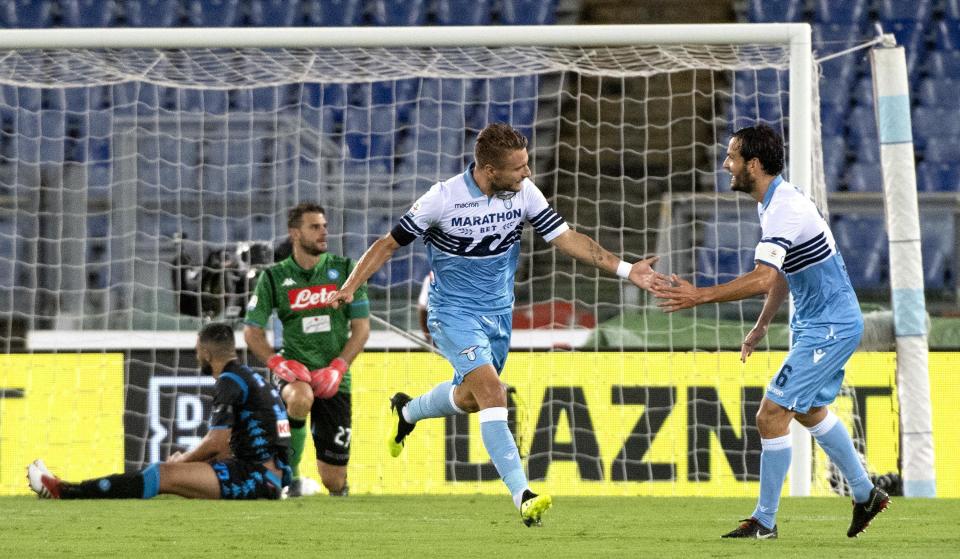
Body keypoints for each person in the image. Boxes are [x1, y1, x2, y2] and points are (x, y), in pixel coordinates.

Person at [325, 123, 662, 527]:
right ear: (488, 169)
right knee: (492, 392)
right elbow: (387, 244)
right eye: (519, 167)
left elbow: (567, 238)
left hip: (499, 314)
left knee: (469, 399)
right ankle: (524, 494)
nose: (528, 173)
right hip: (453, 313)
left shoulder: (523, 194)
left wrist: (627, 269)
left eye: (527, 164)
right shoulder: (442, 198)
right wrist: (350, 287)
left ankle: (408, 412)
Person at [653, 124, 889, 539]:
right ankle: (866, 493)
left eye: (732, 157)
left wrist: (699, 296)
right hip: (818, 323)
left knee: (770, 413)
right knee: (807, 411)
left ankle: (764, 520)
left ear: (754, 164)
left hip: (830, 326)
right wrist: (762, 324)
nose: (726, 164)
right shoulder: (773, 202)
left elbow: (763, 277)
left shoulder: (785, 208)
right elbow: (781, 275)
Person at [27, 322, 292, 500]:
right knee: (177, 478)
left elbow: (216, 442)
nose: (197, 355)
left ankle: (66, 491)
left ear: (207, 354)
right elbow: (227, 448)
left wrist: (183, 461)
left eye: (198, 351)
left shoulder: (229, 382)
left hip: (256, 477)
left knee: (160, 474)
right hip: (268, 473)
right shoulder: (250, 377)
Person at [243, 202, 370, 497]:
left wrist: (339, 367)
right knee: (300, 397)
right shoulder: (274, 277)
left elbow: (361, 329)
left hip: (335, 378)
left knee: (333, 480)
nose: (323, 232)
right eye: (315, 227)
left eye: (324, 226)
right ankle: (291, 480)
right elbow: (252, 331)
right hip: (294, 372)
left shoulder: (346, 270)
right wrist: (277, 363)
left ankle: (339, 498)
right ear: (295, 233)